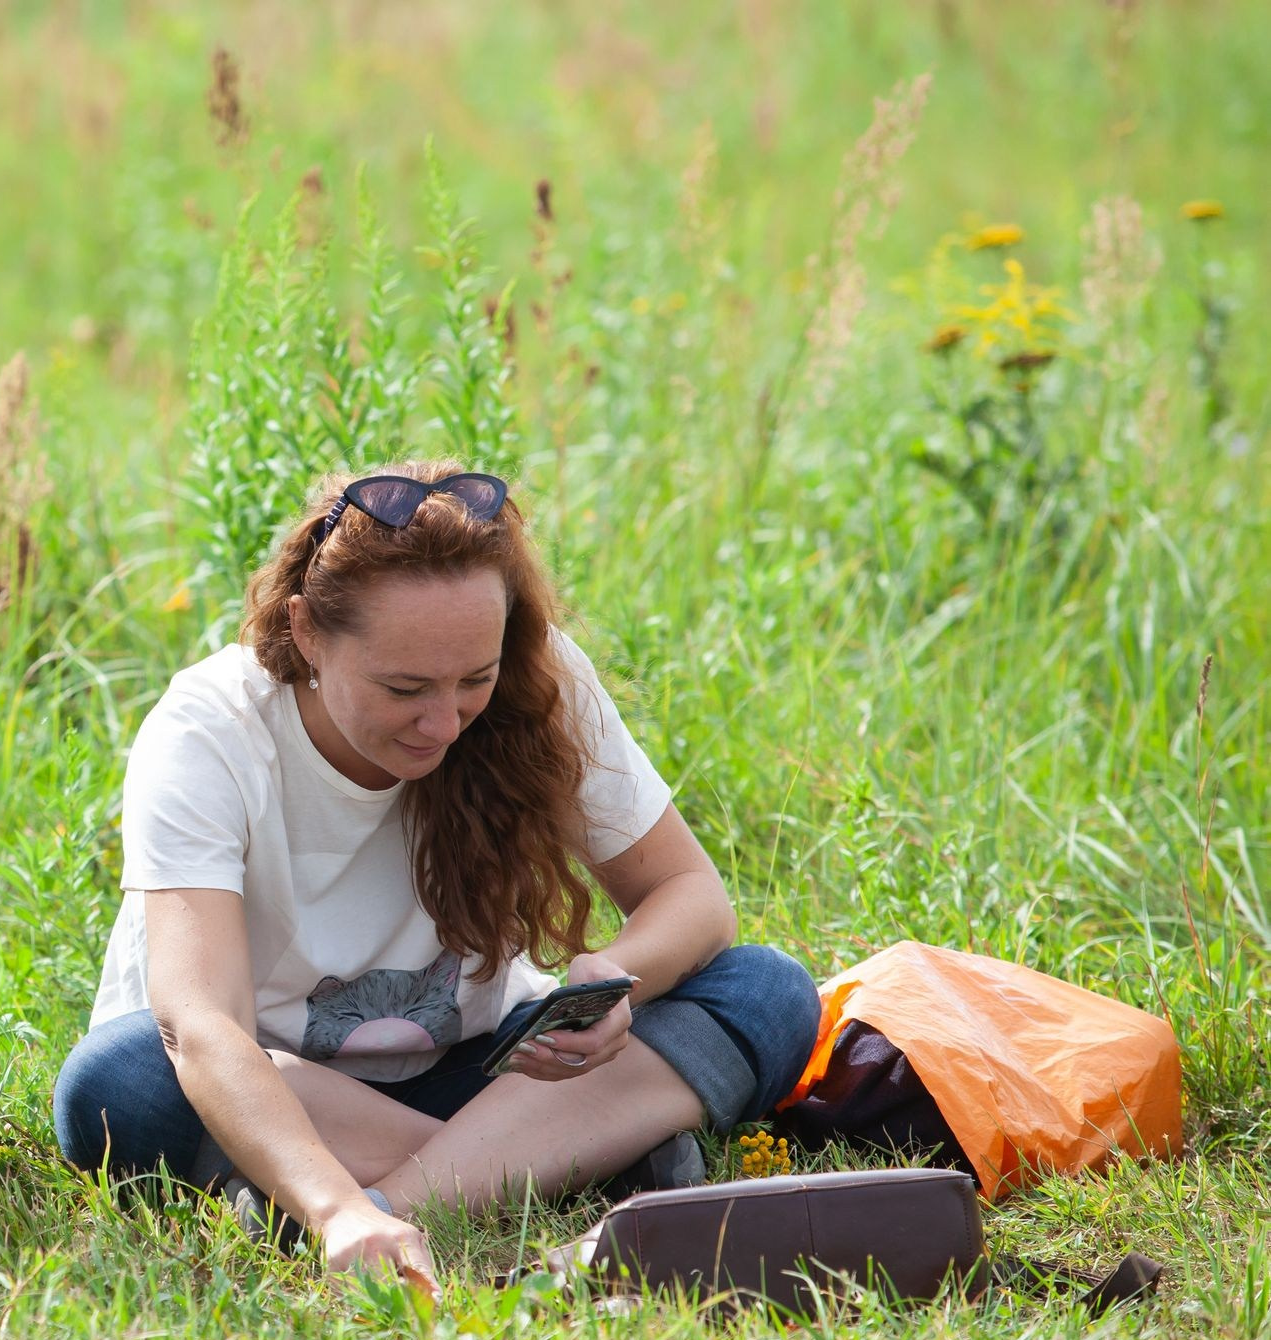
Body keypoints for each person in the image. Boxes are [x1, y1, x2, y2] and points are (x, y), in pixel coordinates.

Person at [53, 462, 821, 1279]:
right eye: (405, 686)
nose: (444, 721)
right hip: (281, 1092)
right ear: (306, 630)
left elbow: (692, 896)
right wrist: (333, 1203)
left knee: (765, 990)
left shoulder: (541, 681)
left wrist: (618, 974)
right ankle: (575, 1162)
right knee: (120, 1079)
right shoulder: (209, 729)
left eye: (474, 681)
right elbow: (200, 1025)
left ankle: (392, 1204)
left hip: (489, 1076)